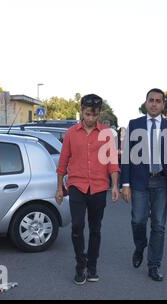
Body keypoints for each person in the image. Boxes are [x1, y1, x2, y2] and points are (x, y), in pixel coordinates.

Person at [56, 93, 120, 285]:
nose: (90, 118)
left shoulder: (106, 133)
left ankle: (92, 266)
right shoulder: (71, 133)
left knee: (95, 228)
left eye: (94, 114)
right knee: (77, 226)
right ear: (81, 111)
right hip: (77, 186)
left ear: (99, 113)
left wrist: (115, 185)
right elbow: (62, 162)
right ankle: (80, 265)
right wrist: (59, 187)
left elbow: (112, 162)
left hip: (99, 187)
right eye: (87, 113)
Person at [121, 88, 167, 282]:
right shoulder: (135, 124)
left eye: (158, 101)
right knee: (138, 220)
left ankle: (153, 265)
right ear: (146, 103)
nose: (154, 103)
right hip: (139, 182)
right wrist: (125, 183)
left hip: (162, 182)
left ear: (163, 105)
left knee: (159, 225)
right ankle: (140, 246)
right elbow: (127, 156)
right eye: (151, 100)